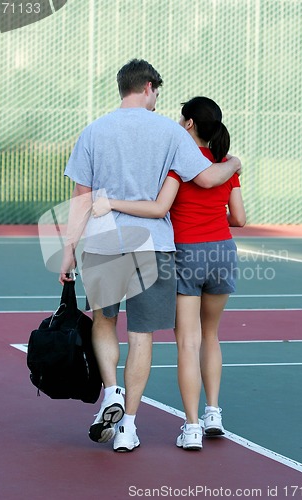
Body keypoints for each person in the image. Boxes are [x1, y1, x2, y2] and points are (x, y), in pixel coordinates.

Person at [59, 60, 242, 453]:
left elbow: (81, 199)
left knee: (104, 322)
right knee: (141, 335)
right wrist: (235, 163)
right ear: (147, 87)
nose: (158, 100)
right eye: (157, 92)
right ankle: (128, 426)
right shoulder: (169, 133)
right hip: (154, 244)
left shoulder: (93, 130)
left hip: (102, 241)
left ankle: (112, 393)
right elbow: (208, 179)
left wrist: (68, 250)